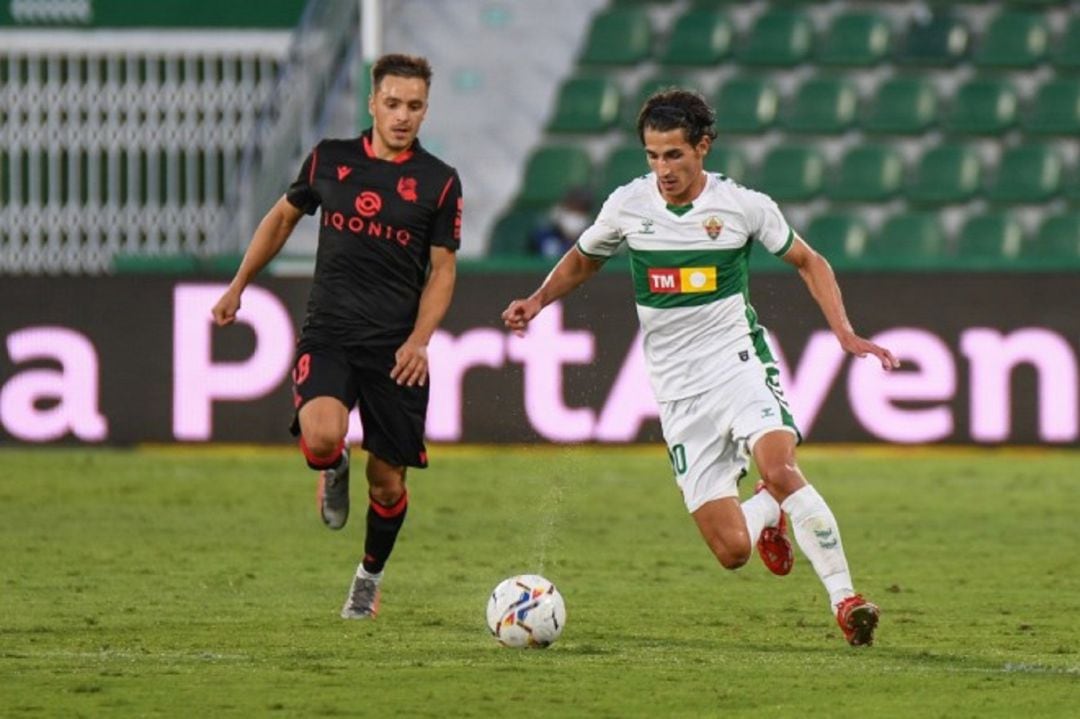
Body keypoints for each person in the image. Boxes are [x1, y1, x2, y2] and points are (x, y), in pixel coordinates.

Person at [501, 89, 898, 646]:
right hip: (677, 394)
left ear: (703, 147)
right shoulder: (629, 205)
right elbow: (583, 259)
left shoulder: (742, 206)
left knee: (782, 468)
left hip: (738, 366)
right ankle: (767, 511)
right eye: (652, 156)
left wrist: (846, 333)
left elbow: (810, 261)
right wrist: (538, 300)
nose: (662, 169)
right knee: (732, 551)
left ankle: (846, 600)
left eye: (674, 155)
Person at [212, 53, 463, 620]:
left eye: (415, 106)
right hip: (329, 333)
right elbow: (281, 219)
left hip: (396, 349)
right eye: (393, 103)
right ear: (372, 102)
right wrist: (239, 285)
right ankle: (331, 468)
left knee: (387, 483)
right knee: (324, 438)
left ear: (426, 111)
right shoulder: (331, 159)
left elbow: (443, 269)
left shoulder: (439, 181)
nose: (403, 116)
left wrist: (420, 340)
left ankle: (367, 581)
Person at [528, 186, 593, 259]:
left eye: (581, 207)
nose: (576, 207)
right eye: (573, 204)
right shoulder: (544, 235)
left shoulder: (588, 227)